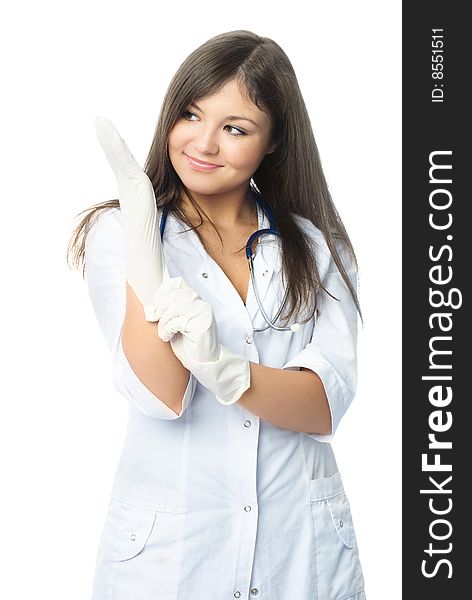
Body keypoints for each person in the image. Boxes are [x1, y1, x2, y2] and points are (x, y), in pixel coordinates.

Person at [67, 29, 366, 600]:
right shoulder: (124, 233)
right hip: (172, 559)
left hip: (297, 550)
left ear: (274, 141)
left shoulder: (317, 247)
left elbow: (324, 405)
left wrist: (227, 369)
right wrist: (143, 244)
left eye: (236, 129)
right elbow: (161, 394)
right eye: (190, 115)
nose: (203, 144)